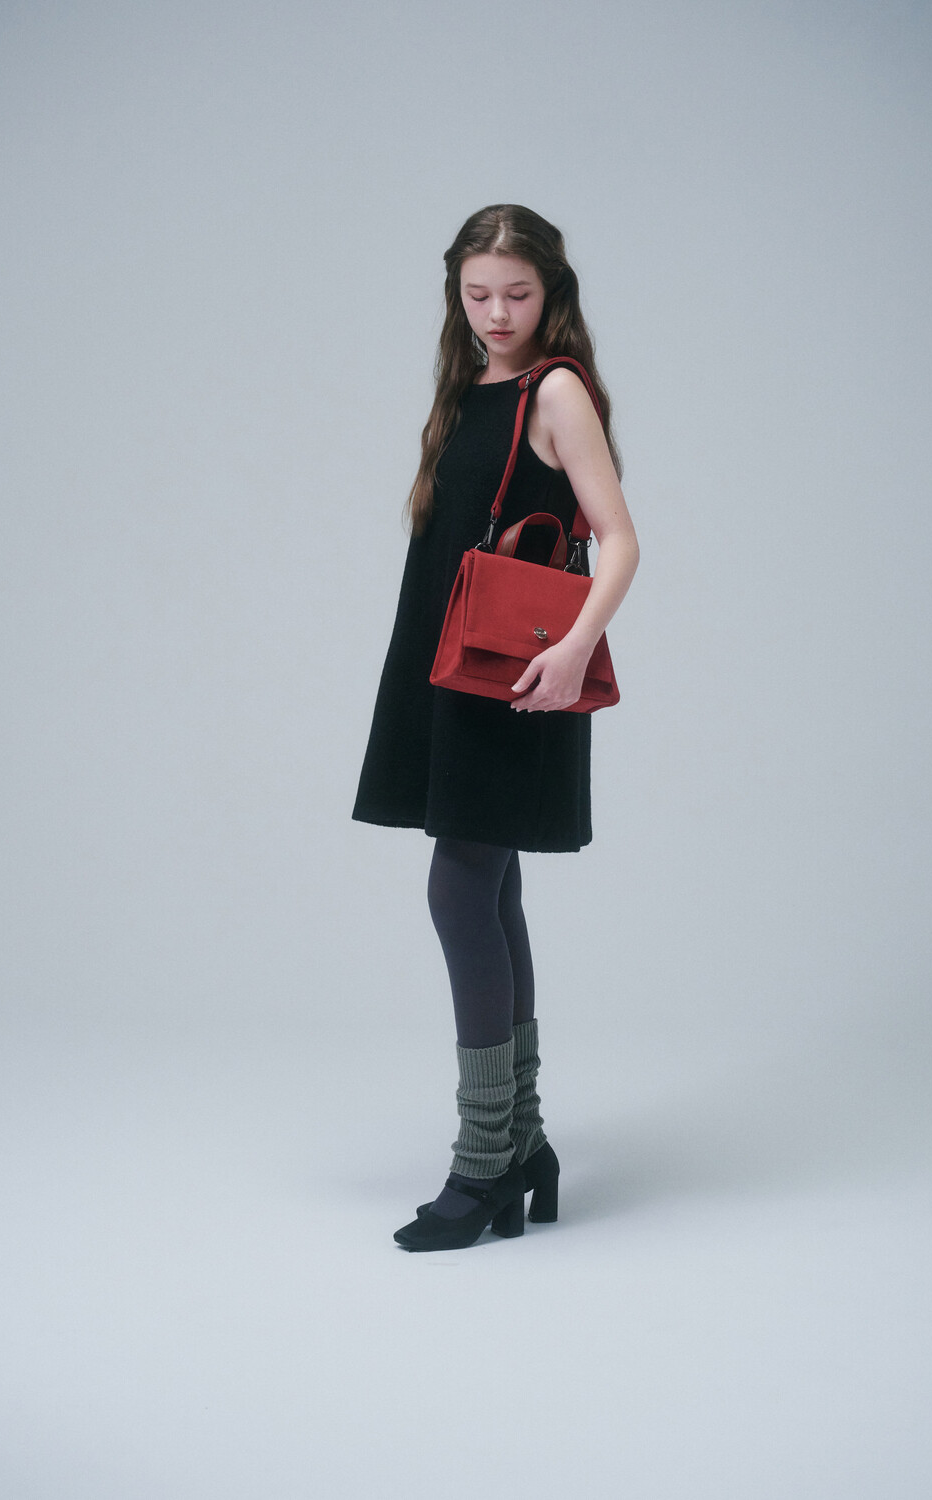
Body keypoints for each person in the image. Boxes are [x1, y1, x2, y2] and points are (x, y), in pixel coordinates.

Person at [352, 204, 639, 1251]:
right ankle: (522, 1144)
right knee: (490, 887)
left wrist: (572, 651)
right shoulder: (468, 386)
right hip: (451, 665)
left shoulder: (556, 390)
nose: (497, 313)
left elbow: (619, 539)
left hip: (516, 673)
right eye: (477, 294)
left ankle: (485, 1162)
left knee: (459, 887)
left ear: (549, 290)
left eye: (516, 293)